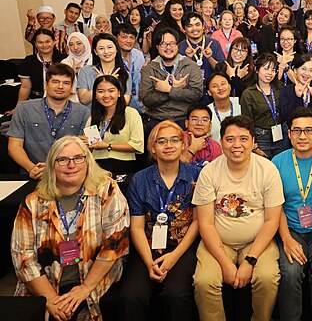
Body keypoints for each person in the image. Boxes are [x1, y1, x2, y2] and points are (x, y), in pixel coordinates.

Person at [11, 136, 129, 321]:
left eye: (78, 158)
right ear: (52, 166)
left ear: (87, 161)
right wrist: (51, 300)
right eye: (63, 159)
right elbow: (23, 257)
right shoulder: (33, 203)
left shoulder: (107, 190)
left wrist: (85, 288)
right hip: (46, 284)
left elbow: (114, 246)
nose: (71, 165)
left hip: (95, 280)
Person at [192, 115, 284, 321]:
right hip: (218, 242)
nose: (237, 145)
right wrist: (225, 264)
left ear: (253, 142)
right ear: (221, 141)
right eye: (230, 139)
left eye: (243, 139)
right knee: (204, 282)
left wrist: (250, 261)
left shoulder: (268, 170)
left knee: (268, 278)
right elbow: (205, 223)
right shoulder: (209, 172)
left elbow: (272, 221)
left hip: (257, 242)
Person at [120, 121, 200, 321]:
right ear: (152, 148)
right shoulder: (140, 180)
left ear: (184, 145)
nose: (169, 145)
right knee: (131, 296)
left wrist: (173, 257)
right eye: (161, 141)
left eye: (175, 140)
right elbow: (137, 227)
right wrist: (149, 263)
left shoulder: (196, 176)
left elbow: (198, 222)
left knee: (175, 295)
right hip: (147, 246)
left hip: (183, 246)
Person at [271, 107, 312, 321]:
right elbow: (276, 206)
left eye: (308, 130)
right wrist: (286, 239)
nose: (302, 136)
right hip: (290, 230)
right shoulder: (277, 163)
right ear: (288, 133)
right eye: (297, 130)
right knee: (290, 274)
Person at [8, 64, 91, 177]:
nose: (60, 86)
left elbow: (84, 150)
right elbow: (14, 146)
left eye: (66, 83)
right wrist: (31, 168)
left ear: (72, 88)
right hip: (32, 173)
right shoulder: (24, 109)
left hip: (68, 175)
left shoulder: (83, 112)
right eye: (55, 82)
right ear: (46, 85)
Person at [139, 27, 204, 128]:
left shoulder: (191, 66)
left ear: (178, 45)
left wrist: (169, 90)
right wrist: (172, 90)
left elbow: (197, 94)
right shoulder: (149, 69)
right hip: (157, 120)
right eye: (163, 44)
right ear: (157, 46)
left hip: (184, 120)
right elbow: (146, 99)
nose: (168, 47)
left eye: (172, 43)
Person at [84, 75, 144, 174]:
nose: (106, 95)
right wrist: (84, 143)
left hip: (124, 167)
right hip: (96, 168)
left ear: (119, 93)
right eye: (101, 91)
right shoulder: (92, 118)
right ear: (95, 95)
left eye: (111, 91)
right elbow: (88, 151)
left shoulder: (131, 113)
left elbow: (137, 145)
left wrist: (108, 146)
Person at [240, 52, 290, 158]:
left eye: (273, 70)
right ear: (257, 70)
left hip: (281, 134)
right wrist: (254, 145)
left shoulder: (280, 88)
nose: (270, 73)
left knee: (281, 166)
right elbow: (247, 122)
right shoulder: (248, 93)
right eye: (266, 68)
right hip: (261, 138)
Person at [76, 33, 131, 107]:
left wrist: (111, 84)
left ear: (116, 49)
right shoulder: (85, 71)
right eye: (101, 48)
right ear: (96, 52)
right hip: (91, 115)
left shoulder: (125, 74)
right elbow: (83, 100)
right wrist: (99, 84)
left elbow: (125, 102)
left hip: (116, 116)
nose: (106, 51)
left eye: (110, 47)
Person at [17, 28, 65, 103]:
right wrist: (18, 107)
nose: (44, 45)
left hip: (60, 100)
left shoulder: (64, 60)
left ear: (54, 42)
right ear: (35, 44)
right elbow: (25, 87)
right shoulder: (29, 61)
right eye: (40, 42)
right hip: (36, 101)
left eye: (47, 42)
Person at [179, 12, 226, 83]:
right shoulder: (180, 47)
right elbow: (178, 74)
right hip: (189, 89)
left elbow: (222, 71)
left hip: (211, 88)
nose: (194, 28)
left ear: (203, 26)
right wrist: (188, 58)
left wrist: (209, 58)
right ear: (184, 29)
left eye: (197, 25)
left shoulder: (214, 43)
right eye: (190, 26)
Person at [113, 23, 145, 113]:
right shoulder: (112, 58)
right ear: (115, 38)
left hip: (140, 104)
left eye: (132, 37)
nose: (128, 40)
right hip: (120, 106)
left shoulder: (138, 54)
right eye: (124, 37)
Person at [206, 72, 242, 142]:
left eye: (223, 84)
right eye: (215, 86)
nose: (220, 88)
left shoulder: (241, 108)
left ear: (230, 87)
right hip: (215, 152)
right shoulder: (206, 112)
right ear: (209, 92)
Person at [61, 32, 92, 103]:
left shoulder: (94, 60)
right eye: (71, 44)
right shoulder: (65, 62)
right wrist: (72, 72)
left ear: (85, 43)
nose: (75, 47)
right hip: (71, 101)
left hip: (91, 100)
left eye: (79, 43)